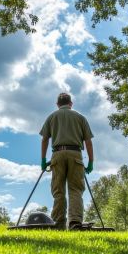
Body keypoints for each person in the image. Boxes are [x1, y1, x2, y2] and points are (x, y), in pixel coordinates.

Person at [39, 92, 94, 230]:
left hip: (57, 154)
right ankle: (75, 223)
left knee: (58, 190)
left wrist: (43, 159)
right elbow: (88, 142)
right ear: (71, 103)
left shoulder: (51, 117)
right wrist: (91, 162)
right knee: (75, 189)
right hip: (75, 154)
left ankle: (58, 224)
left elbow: (45, 139)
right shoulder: (80, 117)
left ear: (57, 104)